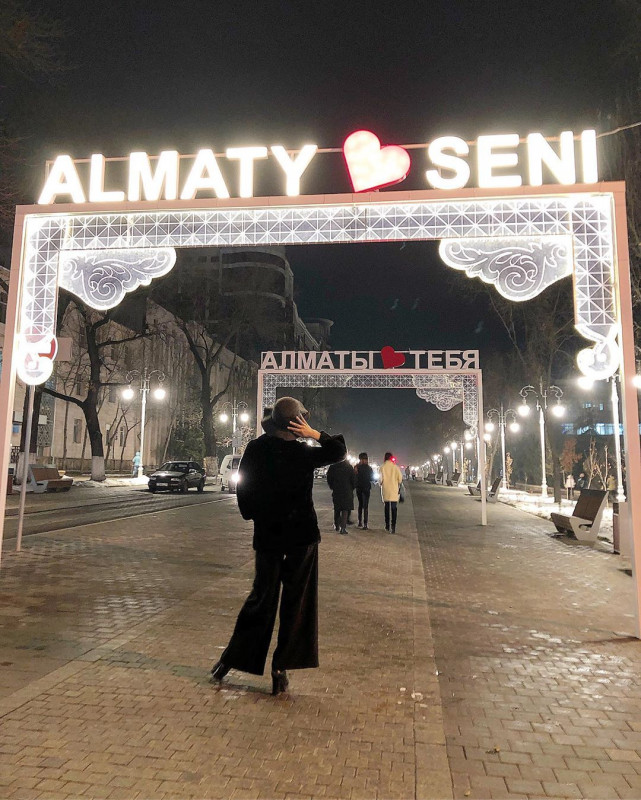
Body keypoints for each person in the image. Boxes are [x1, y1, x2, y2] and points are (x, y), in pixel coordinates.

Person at [210, 397, 346, 695]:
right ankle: (280, 668)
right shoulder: (304, 452)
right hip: (301, 535)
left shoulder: (256, 448)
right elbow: (339, 451)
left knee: (261, 597)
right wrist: (313, 434)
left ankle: (231, 659)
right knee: (296, 603)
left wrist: (253, 514)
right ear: (298, 424)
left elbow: (244, 486)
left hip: (269, 534)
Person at [326, 454, 356, 534]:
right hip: (347, 490)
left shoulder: (333, 467)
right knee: (345, 509)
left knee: (337, 508)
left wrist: (332, 486)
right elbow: (353, 480)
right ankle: (343, 528)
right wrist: (351, 488)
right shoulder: (349, 467)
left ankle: (336, 525)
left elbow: (329, 478)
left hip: (337, 490)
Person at [380, 452, 403, 533]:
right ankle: (393, 526)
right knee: (394, 508)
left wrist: (381, 483)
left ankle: (387, 525)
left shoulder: (382, 467)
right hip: (394, 490)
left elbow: (380, 480)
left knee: (386, 508)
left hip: (386, 489)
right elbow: (400, 479)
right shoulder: (395, 467)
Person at [354, 452, 374, 529]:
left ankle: (360, 522)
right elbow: (372, 478)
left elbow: (354, 477)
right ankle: (365, 524)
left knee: (360, 505)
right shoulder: (369, 468)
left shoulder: (356, 467)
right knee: (366, 506)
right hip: (366, 488)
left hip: (359, 488)